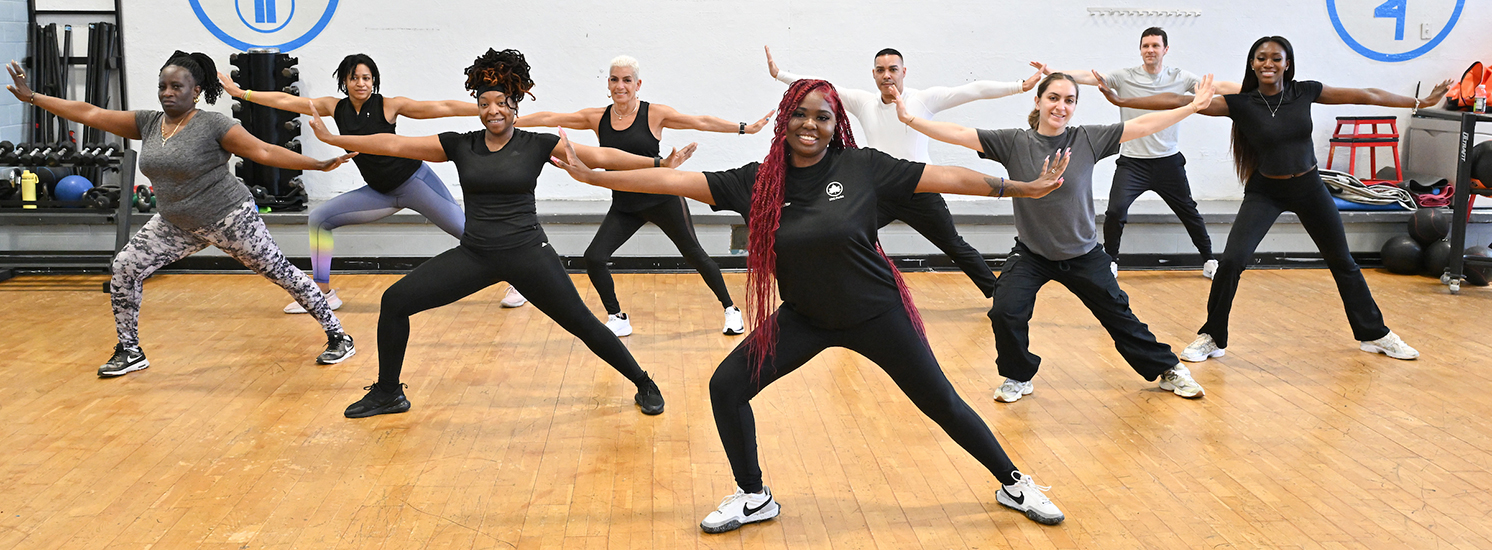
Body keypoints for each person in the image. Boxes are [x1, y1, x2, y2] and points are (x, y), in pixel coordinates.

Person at [552, 78, 1074, 531]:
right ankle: (754, 496)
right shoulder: (756, 182)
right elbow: (672, 180)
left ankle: (1013, 482)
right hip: (805, 317)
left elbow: (948, 178)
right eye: (799, 114)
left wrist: (1021, 189)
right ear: (785, 120)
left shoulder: (863, 167)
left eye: (822, 116)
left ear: (835, 123)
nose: (810, 124)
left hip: (878, 313)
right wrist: (594, 177)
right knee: (726, 387)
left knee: (940, 402)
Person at [307, 48, 695, 419]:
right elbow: (394, 143)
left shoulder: (538, 143)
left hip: (529, 253)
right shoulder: (460, 144)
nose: (492, 110)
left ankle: (644, 382)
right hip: (476, 254)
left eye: (500, 102)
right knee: (395, 301)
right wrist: (334, 139)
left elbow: (603, 157)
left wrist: (659, 161)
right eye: (484, 103)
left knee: (582, 323)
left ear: (515, 103)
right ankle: (389, 392)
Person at [1097, 36, 1447, 364]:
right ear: (1252, 64)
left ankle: (1375, 334)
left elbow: (1365, 94)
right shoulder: (1241, 103)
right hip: (1265, 191)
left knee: (1342, 261)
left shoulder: (1305, 92)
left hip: (1310, 188)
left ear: (1287, 63)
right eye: (1261, 58)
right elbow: (1177, 100)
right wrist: (1122, 101)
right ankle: (1212, 337)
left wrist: (1419, 102)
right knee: (1232, 261)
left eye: (1275, 58)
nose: (1268, 63)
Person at [5, 52, 357, 377]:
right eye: (163, 86)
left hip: (229, 219)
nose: (167, 93)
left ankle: (339, 336)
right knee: (125, 266)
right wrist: (34, 98)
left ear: (196, 91)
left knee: (280, 272)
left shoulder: (214, 125)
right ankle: (129, 350)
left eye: (177, 86)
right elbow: (91, 113)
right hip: (175, 223)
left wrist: (317, 164)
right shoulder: (148, 123)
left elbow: (264, 150)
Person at [895, 72, 1215, 403]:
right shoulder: (1015, 142)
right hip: (1032, 253)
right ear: (1038, 101)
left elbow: (1143, 126)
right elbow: (960, 134)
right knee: (1005, 310)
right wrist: (910, 120)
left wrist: (1192, 107)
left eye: (1069, 100)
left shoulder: (1088, 139)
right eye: (1053, 98)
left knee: (1120, 316)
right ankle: (1018, 376)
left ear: (1074, 106)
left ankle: (1168, 368)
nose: (1060, 106)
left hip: (1083, 253)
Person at [218, 54, 504, 313]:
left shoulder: (389, 106)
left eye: (366, 78)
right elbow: (285, 101)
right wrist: (243, 92)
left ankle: (517, 279)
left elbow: (441, 107)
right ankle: (323, 293)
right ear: (345, 80)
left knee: (469, 235)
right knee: (319, 218)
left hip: (416, 184)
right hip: (380, 193)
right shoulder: (335, 107)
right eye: (354, 77)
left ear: (374, 81)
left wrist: (488, 107)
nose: (360, 83)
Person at [517, 55, 773, 336]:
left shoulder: (654, 114)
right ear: (608, 83)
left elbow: (699, 121)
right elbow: (551, 118)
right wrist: (512, 121)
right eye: (614, 79)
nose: (620, 86)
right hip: (626, 204)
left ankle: (730, 310)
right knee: (594, 257)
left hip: (663, 198)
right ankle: (617, 316)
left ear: (638, 84)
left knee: (695, 255)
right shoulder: (597, 117)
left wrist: (743, 128)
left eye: (627, 80)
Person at [767, 46, 1045, 298]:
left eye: (892, 69)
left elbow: (972, 91)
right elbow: (821, 86)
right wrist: (780, 74)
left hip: (920, 190)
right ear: (874, 74)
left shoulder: (924, 99)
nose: (886, 75)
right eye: (880, 70)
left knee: (954, 245)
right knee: (843, 235)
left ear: (903, 72)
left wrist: (1020, 86)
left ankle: (998, 294)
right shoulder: (863, 102)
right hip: (880, 193)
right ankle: (840, 292)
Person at [1051, 27, 1237, 278]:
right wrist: (1054, 73)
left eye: (1155, 46)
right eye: (1145, 46)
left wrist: (1255, 87)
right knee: (1115, 212)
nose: (1150, 50)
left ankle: (1209, 260)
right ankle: (1111, 261)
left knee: (1189, 212)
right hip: (1133, 163)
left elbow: (1214, 86)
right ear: (1140, 50)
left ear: (1165, 50)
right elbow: (1090, 77)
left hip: (1168, 162)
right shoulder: (1125, 76)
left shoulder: (1179, 77)